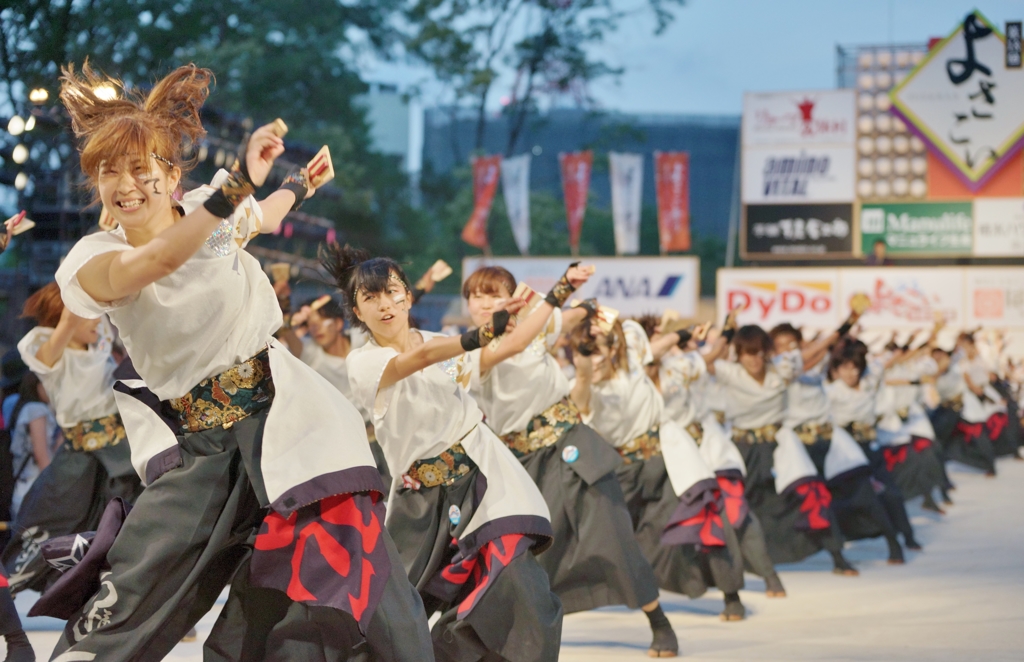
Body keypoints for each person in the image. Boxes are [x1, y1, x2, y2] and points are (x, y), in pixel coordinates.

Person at [45, 62, 431, 660]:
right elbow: (154, 264)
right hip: (203, 451)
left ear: (171, 175)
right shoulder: (93, 256)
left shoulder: (211, 213)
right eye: (109, 172)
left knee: (345, 581)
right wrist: (234, 191)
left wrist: (297, 183)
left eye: (140, 169)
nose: (125, 184)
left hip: (288, 426)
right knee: (135, 592)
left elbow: (263, 214)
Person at [334, 245, 564, 661]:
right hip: (421, 503)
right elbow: (417, 359)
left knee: (522, 585)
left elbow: (503, 350)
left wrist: (553, 297)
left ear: (406, 294)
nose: (385, 304)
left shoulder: (442, 342)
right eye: (371, 298)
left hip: (484, 477)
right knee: (395, 616)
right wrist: (476, 336)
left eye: (391, 292)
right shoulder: (364, 362)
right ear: (356, 310)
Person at [461, 266, 680, 657]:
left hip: (572, 444)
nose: (483, 303)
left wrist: (589, 308)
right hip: (522, 462)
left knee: (614, 535)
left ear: (514, 298)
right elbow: (506, 344)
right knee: (527, 556)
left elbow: (569, 316)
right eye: (475, 296)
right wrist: (556, 298)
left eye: (494, 294)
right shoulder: (468, 351)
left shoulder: (537, 328)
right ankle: (513, 639)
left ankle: (657, 619)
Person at [568, 316, 749, 622]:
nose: (592, 359)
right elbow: (582, 398)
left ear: (613, 348)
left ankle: (731, 594)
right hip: (621, 472)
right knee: (627, 543)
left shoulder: (633, 361)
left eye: (598, 349)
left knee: (705, 517)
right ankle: (655, 614)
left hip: (667, 459)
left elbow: (660, 343)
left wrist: (685, 333)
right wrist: (584, 376)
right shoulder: (579, 387)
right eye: (583, 352)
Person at [4, 284, 144, 595]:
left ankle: (143, 609)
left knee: (126, 536)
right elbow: (55, 342)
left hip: (119, 457)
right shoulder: (48, 350)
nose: (97, 321)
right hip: (79, 459)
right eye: (89, 315)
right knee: (42, 529)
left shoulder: (100, 343)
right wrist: (75, 296)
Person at [707, 324, 858, 575]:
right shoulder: (730, 373)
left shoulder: (782, 369)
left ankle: (838, 557)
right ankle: (733, 566)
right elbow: (704, 362)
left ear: (767, 351)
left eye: (759, 352)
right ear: (739, 354)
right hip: (743, 447)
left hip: (779, 445)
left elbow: (815, 350)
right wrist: (725, 333)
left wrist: (845, 325)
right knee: (733, 504)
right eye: (747, 352)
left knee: (811, 495)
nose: (754, 359)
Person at [654, 321, 787, 598]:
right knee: (675, 524)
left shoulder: (685, 364)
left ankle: (754, 581)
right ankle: (690, 583)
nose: (686, 346)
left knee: (733, 514)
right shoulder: (636, 374)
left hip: (709, 449)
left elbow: (712, 355)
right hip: (668, 457)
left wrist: (725, 333)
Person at [768, 322, 905, 565]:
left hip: (830, 440)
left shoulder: (815, 364)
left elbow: (818, 356)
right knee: (817, 501)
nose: (788, 350)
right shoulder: (778, 369)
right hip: (800, 446)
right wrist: (839, 331)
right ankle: (838, 557)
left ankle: (895, 542)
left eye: (792, 344)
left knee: (865, 494)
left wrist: (844, 330)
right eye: (781, 346)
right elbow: (805, 360)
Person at [826, 340, 921, 551]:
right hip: (847, 452)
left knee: (892, 493)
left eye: (855, 368)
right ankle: (891, 542)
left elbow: (886, 364)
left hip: (871, 445)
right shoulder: (832, 391)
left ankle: (908, 535)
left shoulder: (870, 381)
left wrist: (906, 347)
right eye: (845, 368)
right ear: (837, 370)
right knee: (867, 498)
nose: (850, 373)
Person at [6, 373, 60, 521]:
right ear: (37, 386)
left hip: (24, 487)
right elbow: (41, 454)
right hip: (36, 488)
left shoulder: (24, 406)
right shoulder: (36, 410)